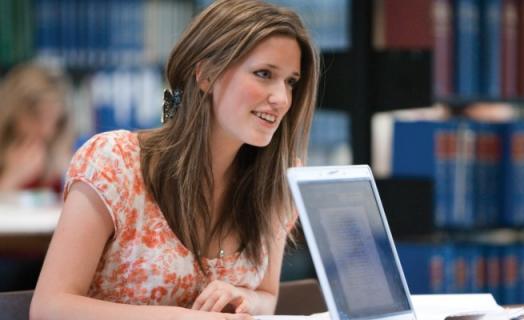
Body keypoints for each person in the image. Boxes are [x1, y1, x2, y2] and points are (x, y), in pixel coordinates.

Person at [30, 0, 319, 319]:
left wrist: (244, 298)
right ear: (206, 75)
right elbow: (49, 307)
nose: (282, 98)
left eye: (291, 81)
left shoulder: (279, 179)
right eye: (264, 74)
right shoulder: (116, 162)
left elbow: (267, 297)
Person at [0, 63, 72, 194]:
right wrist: (12, 178)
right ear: (14, 112)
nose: (46, 131)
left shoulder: (61, 156)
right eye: (37, 117)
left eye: (54, 122)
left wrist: (67, 176)